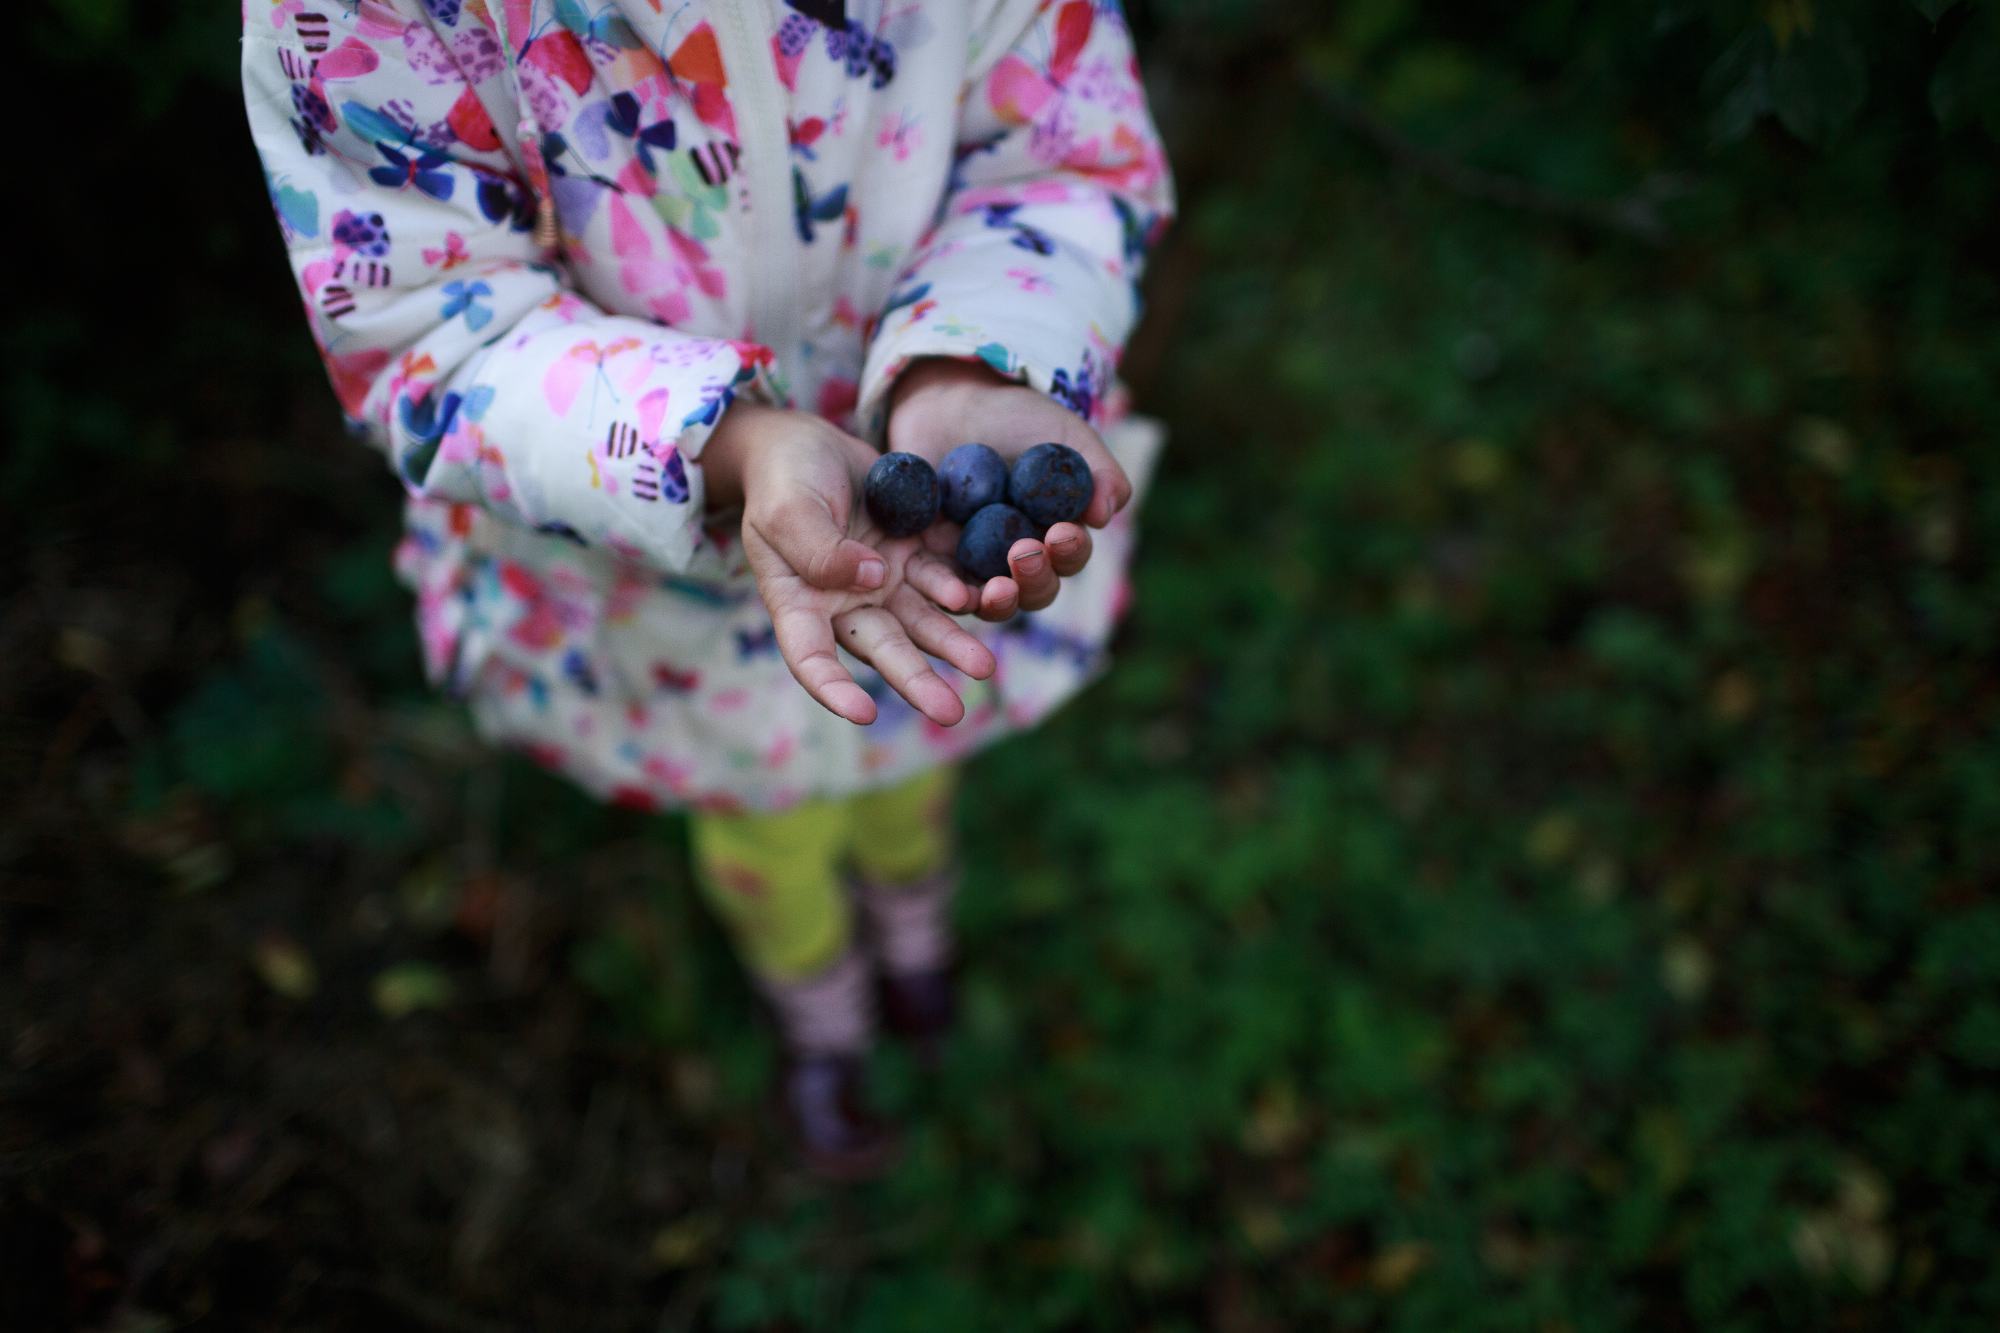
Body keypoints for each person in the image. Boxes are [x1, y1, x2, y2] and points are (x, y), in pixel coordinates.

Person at [241, 0, 1172, 1177]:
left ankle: (915, 942)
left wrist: (964, 364)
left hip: (921, 567)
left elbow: (1060, 153)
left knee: (911, 771)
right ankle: (825, 1021)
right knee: (765, 840)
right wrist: (725, 443)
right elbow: (431, 333)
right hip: (655, 597)